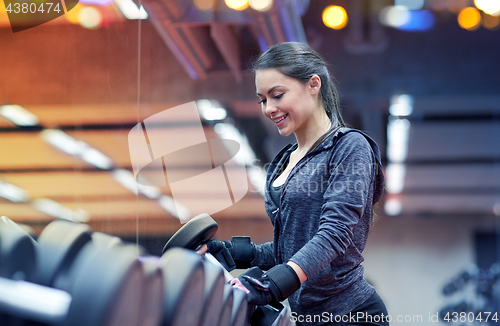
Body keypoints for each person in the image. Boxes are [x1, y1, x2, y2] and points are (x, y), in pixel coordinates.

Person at [205, 42, 388, 326]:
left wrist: (272, 285)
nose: (269, 108)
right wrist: (235, 253)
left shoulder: (349, 147)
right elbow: (288, 249)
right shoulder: (281, 162)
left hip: (351, 315)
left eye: (277, 95)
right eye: (262, 100)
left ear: (313, 84)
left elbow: (334, 235)